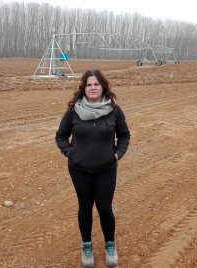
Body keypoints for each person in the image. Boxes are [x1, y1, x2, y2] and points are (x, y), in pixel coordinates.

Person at [55, 69, 130, 267]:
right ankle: (86, 245)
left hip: (106, 169)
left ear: (103, 86)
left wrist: (117, 154)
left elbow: (124, 135)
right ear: (84, 88)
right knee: (85, 207)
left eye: (96, 84)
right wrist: (70, 153)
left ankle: (110, 245)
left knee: (105, 208)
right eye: (89, 84)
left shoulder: (114, 110)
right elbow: (60, 136)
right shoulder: (73, 110)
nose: (93, 87)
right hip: (80, 170)